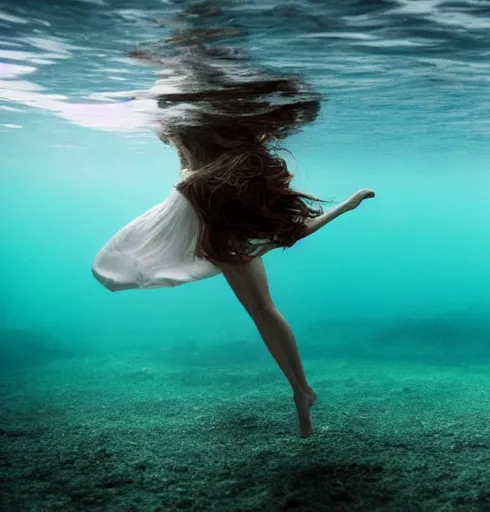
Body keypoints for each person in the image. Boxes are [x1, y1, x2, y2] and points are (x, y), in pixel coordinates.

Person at [90, 21, 374, 438]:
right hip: (205, 212)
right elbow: (288, 229)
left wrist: (346, 207)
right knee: (262, 305)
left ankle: (302, 392)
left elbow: (290, 230)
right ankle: (301, 391)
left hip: (213, 214)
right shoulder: (196, 140)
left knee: (262, 306)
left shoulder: (221, 152)